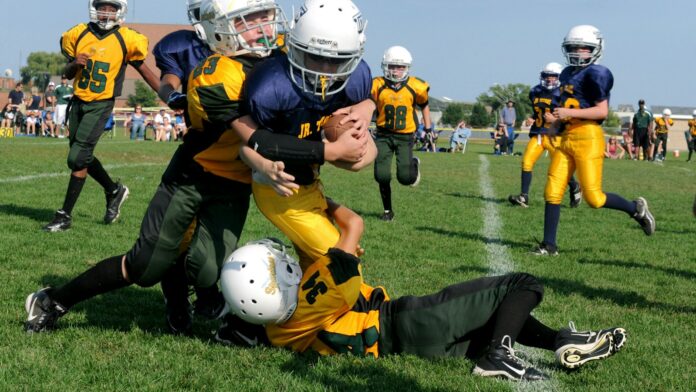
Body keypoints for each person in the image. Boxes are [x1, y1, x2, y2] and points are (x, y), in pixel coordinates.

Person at [23, 0, 292, 336]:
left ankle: (187, 296)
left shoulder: (287, 58)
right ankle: (54, 300)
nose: (264, 27)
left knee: (207, 269)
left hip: (234, 183)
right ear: (219, 29)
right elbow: (253, 135)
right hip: (193, 173)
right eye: (250, 20)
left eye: (265, 16)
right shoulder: (215, 72)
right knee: (146, 266)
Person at [219, 203, 628, 382]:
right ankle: (499, 355)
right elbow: (353, 226)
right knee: (522, 285)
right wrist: (319, 198)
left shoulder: (274, 331)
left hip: (403, 347)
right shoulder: (321, 289)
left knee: (490, 318)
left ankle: (560, 341)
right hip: (405, 321)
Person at [233, 0, 375, 272]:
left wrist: (368, 107)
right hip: (278, 190)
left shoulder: (356, 80)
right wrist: (264, 165)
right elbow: (250, 144)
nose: (323, 69)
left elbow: (362, 158)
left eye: (335, 60)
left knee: (313, 267)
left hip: (310, 184)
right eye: (314, 56)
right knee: (342, 269)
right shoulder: (271, 85)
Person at [534, 25, 655, 256]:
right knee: (552, 190)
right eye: (573, 47)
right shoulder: (567, 73)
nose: (578, 52)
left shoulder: (598, 73)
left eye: (584, 48)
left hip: (588, 137)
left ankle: (636, 209)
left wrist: (569, 115)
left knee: (594, 198)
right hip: (567, 136)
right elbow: (566, 105)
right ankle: (549, 246)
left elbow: (601, 111)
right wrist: (555, 125)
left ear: (596, 49)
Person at [42, 0, 160, 232]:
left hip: (101, 103)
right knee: (81, 155)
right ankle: (114, 191)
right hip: (78, 102)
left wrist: (168, 94)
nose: (106, 12)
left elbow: (144, 71)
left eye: (111, 8)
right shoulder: (78, 33)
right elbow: (67, 73)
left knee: (76, 158)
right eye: (102, 6)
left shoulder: (127, 38)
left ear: (119, 11)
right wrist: (75, 64)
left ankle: (64, 215)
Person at [509, 62, 582, 209]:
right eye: (547, 76)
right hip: (538, 134)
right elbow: (539, 111)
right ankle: (524, 196)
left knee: (560, 168)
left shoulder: (565, 94)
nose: (549, 79)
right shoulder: (535, 91)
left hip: (555, 136)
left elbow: (571, 118)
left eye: (553, 76)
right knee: (526, 162)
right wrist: (532, 117)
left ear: (559, 77)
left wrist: (555, 120)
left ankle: (574, 186)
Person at [372, 45, 430, 221]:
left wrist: (428, 129)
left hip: (405, 136)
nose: (396, 71)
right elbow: (367, 105)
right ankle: (388, 211)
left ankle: (414, 164)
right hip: (383, 135)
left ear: (407, 68)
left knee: (405, 178)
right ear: (385, 66)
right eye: (392, 66)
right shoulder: (377, 85)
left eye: (400, 67)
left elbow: (424, 105)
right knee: (381, 175)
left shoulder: (415, 86)